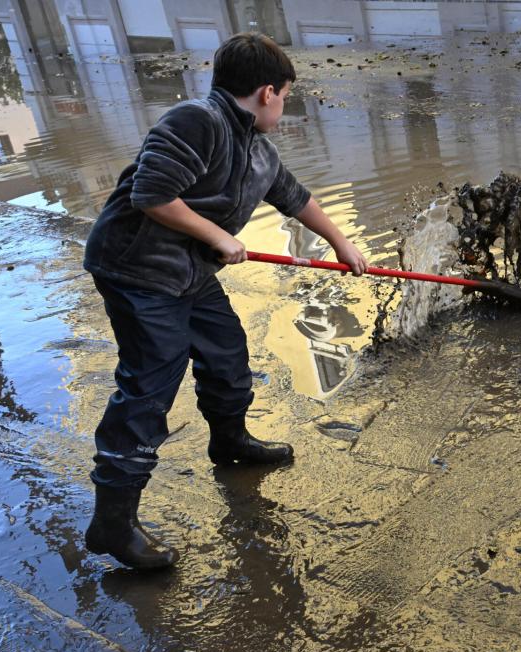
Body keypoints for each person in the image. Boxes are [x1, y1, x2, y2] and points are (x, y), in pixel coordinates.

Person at [82, 33, 368, 570]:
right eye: (285, 95)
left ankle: (230, 441)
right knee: (150, 383)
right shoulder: (197, 121)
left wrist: (341, 241)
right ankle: (112, 522)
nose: (284, 105)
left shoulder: (258, 148)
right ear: (267, 92)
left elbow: (294, 196)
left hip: (189, 272)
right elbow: (152, 195)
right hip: (138, 271)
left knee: (226, 354)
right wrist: (217, 235)